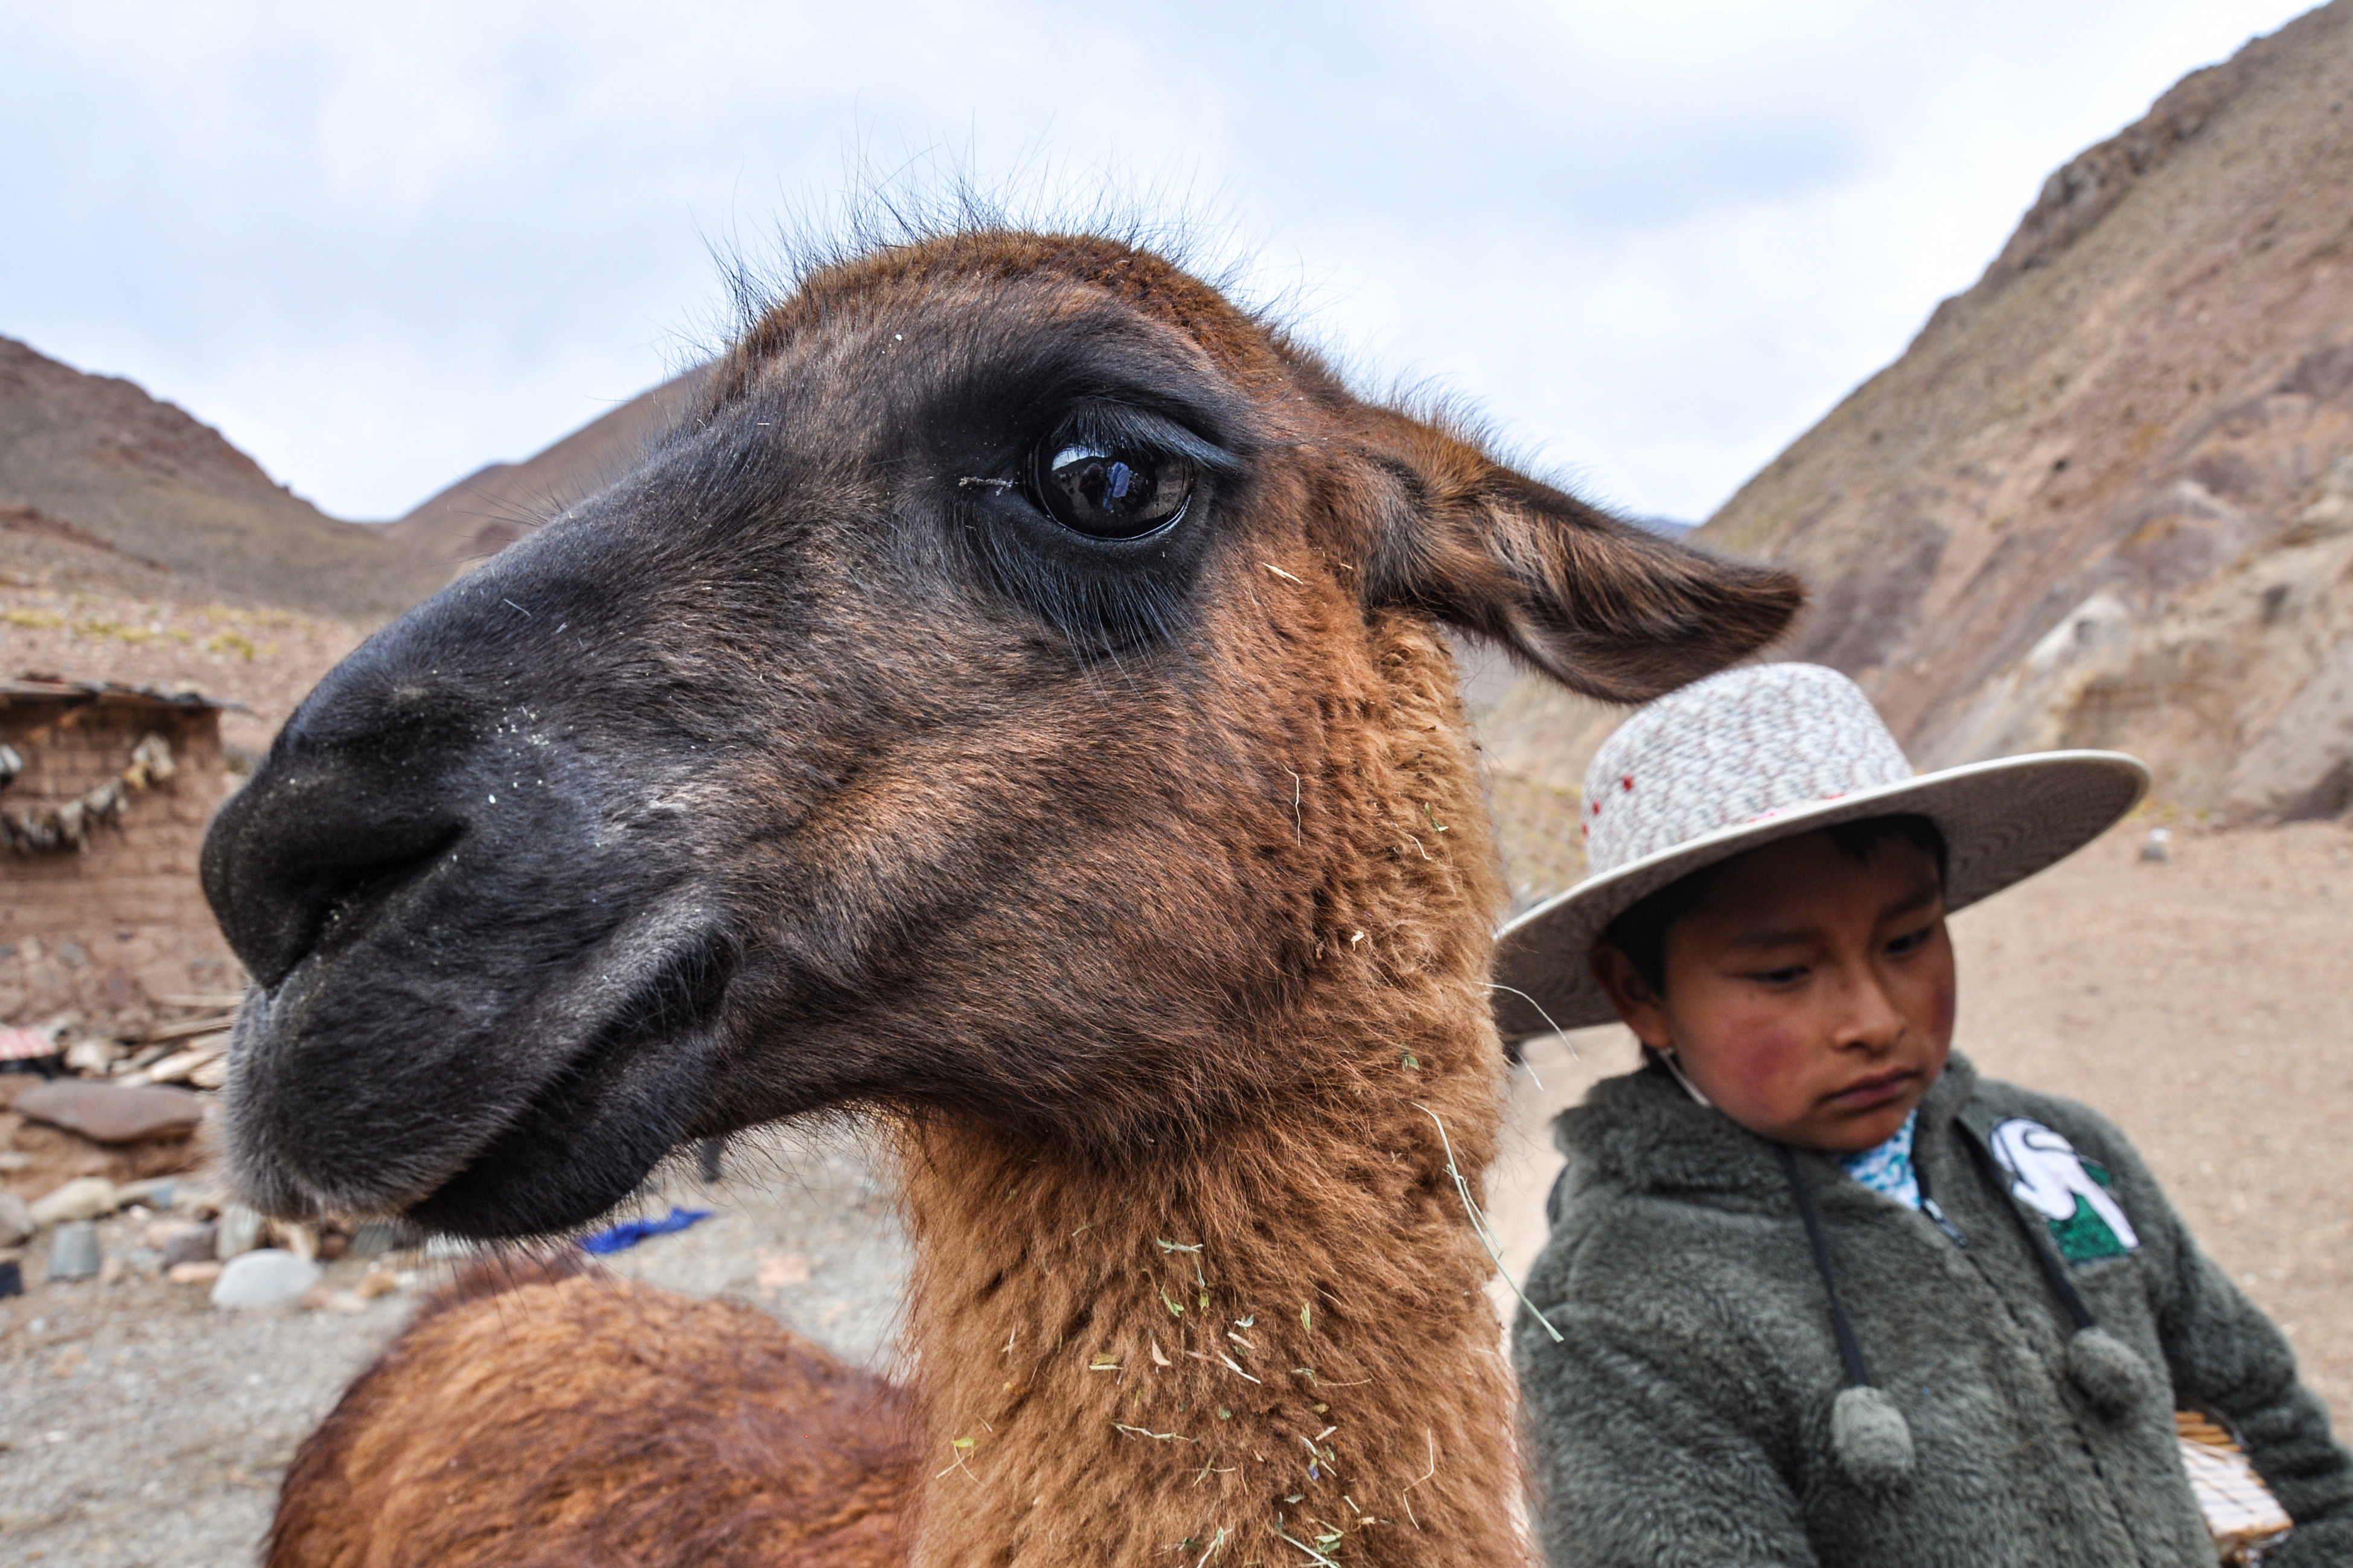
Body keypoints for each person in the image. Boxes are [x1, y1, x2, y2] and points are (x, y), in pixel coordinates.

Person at [1495, 663, 2352, 1567]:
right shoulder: (1617, 1312)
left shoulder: (2058, 1154)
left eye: (1906, 940)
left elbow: (2270, 1440)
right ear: (1639, 993)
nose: (1875, 1019)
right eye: (1784, 972)